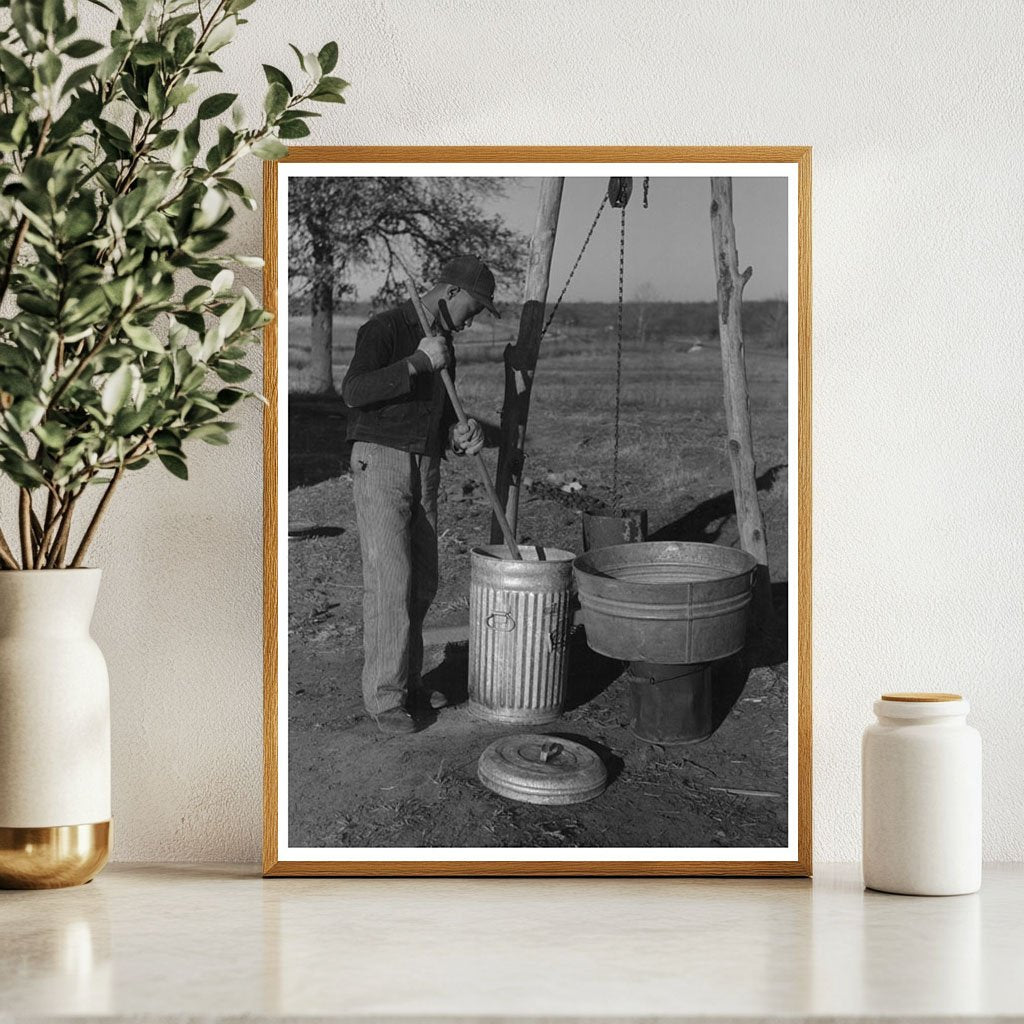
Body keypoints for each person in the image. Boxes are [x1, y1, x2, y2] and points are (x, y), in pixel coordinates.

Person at [341, 255, 499, 734]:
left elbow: (440, 417)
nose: (471, 321)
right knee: (391, 579)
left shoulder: (444, 344)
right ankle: (385, 699)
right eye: (473, 308)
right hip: (380, 459)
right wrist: (416, 362)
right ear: (450, 292)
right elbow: (353, 392)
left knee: (423, 579)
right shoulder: (385, 328)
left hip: (424, 463)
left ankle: (408, 683)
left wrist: (459, 435)